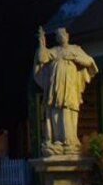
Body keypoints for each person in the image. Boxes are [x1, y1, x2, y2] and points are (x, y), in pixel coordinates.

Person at [32, 27, 97, 156]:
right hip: (56, 89)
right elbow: (41, 58)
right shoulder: (54, 51)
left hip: (71, 88)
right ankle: (57, 140)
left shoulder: (75, 49)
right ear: (56, 38)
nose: (61, 36)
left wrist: (74, 58)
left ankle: (70, 140)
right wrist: (41, 42)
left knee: (70, 110)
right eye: (58, 35)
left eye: (63, 34)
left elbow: (89, 61)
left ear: (67, 35)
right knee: (56, 111)